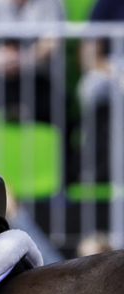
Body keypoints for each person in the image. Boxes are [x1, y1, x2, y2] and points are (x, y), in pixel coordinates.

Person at [0, 0, 65, 122]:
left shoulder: (51, 4)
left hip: (37, 79)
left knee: (60, 104)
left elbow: (51, 43)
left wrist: (24, 60)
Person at [76, 0, 124, 181]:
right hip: (111, 69)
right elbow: (88, 55)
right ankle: (95, 164)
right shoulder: (107, 3)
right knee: (90, 89)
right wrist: (115, 74)